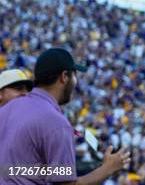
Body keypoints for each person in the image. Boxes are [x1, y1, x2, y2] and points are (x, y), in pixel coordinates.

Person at [0, 48, 130, 184]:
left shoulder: (8, 108)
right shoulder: (57, 123)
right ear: (64, 77)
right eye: (75, 76)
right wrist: (108, 168)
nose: (75, 82)